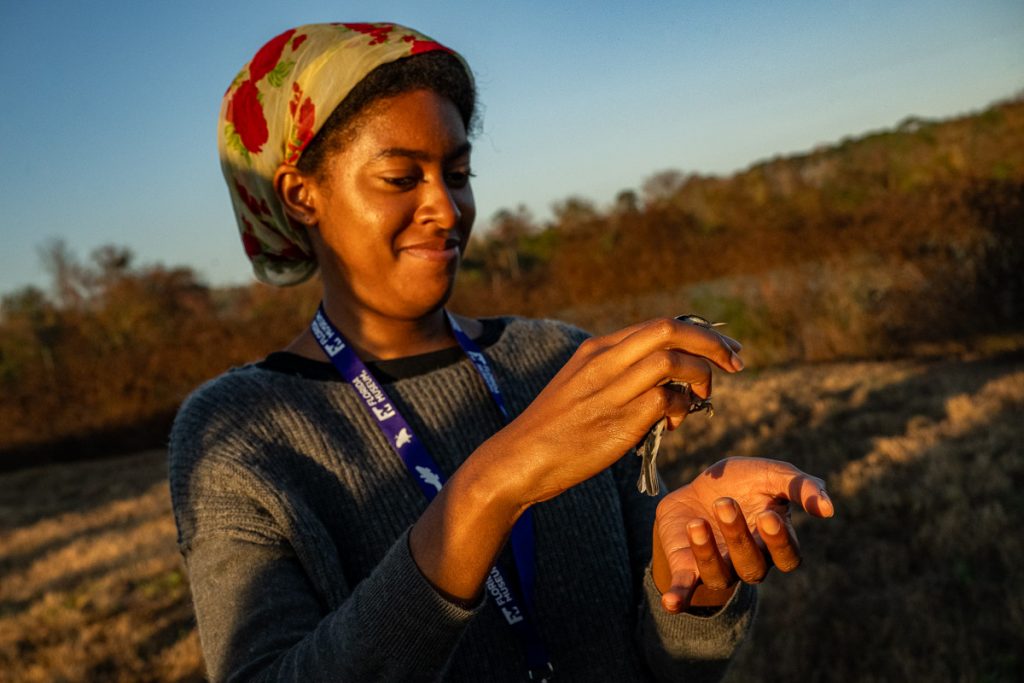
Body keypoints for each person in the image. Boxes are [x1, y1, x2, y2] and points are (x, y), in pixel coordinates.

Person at [169, 22, 834, 682]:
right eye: (401, 177)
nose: (446, 207)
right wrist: (491, 488)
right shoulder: (238, 434)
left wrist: (692, 582)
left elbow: (666, 662)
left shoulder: (555, 358)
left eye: (457, 172)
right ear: (300, 194)